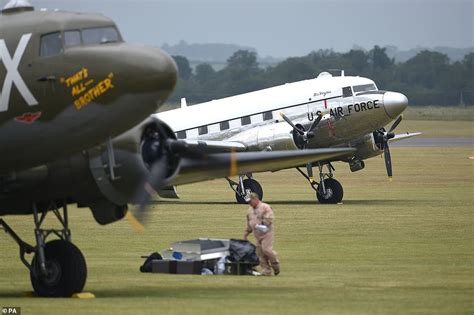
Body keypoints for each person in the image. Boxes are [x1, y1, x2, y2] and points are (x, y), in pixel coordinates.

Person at [243, 192, 280, 276]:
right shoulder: (250, 210)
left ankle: (275, 264)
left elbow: (269, 219)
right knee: (260, 252)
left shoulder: (265, 207)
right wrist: (246, 233)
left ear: (255, 199)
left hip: (267, 233)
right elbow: (249, 222)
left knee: (266, 249)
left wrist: (261, 224)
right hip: (257, 234)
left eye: (250, 201)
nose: (250, 204)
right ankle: (266, 270)